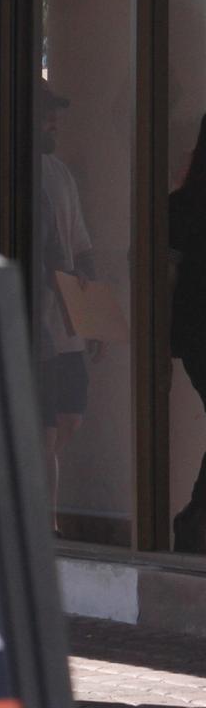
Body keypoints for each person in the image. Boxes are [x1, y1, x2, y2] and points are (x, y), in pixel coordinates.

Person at [34, 80, 101, 535]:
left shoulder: (59, 173)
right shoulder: (4, 173)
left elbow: (80, 247)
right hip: (36, 325)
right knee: (46, 430)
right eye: (45, 112)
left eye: (55, 112)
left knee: (69, 417)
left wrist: (92, 314)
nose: (53, 120)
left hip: (66, 327)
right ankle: (45, 524)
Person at [170, 113, 206, 553]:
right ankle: (193, 524)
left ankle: (193, 525)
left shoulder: (179, 208)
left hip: (195, 339)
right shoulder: (180, 209)